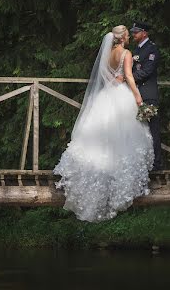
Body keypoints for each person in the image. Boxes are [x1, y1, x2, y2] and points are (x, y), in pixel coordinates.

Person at [53, 25, 154, 222]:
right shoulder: (125, 53)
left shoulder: (107, 53)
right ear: (124, 37)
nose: (129, 37)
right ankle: (119, 180)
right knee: (123, 137)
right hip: (120, 95)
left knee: (103, 136)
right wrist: (138, 98)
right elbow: (129, 77)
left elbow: (105, 76)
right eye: (128, 34)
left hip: (105, 95)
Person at [130, 21, 162, 170]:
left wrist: (128, 78)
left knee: (152, 129)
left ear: (144, 33)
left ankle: (156, 163)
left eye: (136, 32)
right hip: (135, 94)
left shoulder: (152, 49)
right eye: (133, 32)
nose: (133, 34)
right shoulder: (136, 50)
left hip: (148, 93)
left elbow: (148, 71)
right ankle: (142, 161)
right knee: (138, 129)